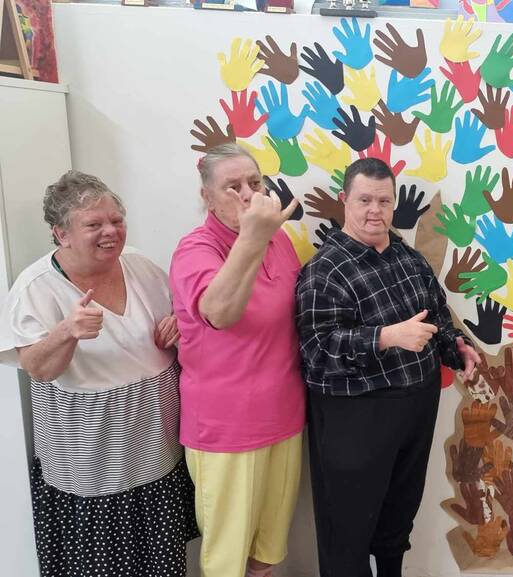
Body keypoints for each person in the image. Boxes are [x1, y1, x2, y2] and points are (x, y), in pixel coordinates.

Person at [0, 171, 197, 576]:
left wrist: (176, 323)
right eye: (94, 224)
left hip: (156, 456)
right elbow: (37, 369)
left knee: (163, 564)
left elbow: (177, 319)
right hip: (90, 469)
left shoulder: (139, 264)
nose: (111, 231)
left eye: (116, 220)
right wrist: (67, 332)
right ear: (61, 234)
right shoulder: (36, 287)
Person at [296, 157, 481, 577]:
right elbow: (317, 352)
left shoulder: (408, 258)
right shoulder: (324, 271)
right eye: (364, 200)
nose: (374, 211)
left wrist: (457, 348)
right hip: (356, 417)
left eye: (384, 201)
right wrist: (385, 337)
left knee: (398, 515)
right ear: (345, 200)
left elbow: (438, 318)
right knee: (348, 528)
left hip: (415, 408)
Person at [170, 143, 305, 577]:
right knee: (226, 556)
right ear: (207, 197)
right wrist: (252, 238)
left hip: (284, 414)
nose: (248, 194)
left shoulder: (279, 240)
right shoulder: (196, 249)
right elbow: (220, 313)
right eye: (232, 187)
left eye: (254, 183)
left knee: (270, 544)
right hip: (227, 427)